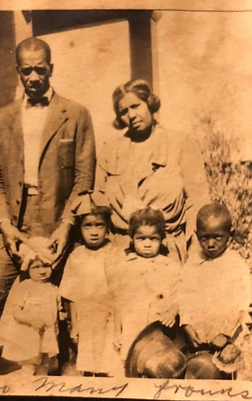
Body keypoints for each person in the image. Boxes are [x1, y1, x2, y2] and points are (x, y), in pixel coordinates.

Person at [0, 37, 96, 376]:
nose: (34, 77)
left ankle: (67, 365)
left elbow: (84, 179)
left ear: (51, 68)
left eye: (40, 69)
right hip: (12, 220)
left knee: (63, 295)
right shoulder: (0, 119)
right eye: (26, 70)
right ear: (18, 71)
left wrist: (66, 226)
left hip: (58, 219)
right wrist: (4, 226)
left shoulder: (76, 114)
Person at [96, 79, 210, 264]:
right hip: (120, 253)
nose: (131, 115)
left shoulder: (181, 144)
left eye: (135, 106)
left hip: (168, 251)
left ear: (149, 103)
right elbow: (98, 200)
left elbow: (198, 202)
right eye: (123, 111)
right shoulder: (110, 151)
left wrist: (196, 250)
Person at [106, 207, 183, 375]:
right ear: (132, 239)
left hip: (159, 331)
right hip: (132, 327)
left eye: (153, 239)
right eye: (141, 238)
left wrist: (172, 311)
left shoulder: (170, 266)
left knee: (157, 368)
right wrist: (117, 331)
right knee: (129, 367)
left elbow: (180, 295)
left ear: (162, 239)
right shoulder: (125, 266)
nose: (147, 244)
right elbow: (118, 301)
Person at [179, 203, 251, 379]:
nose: (210, 244)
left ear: (230, 234)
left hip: (225, 338)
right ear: (196, 235)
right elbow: (184, 294)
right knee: (196, 372)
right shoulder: (193, 263)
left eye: (217, 237)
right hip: (197, 338)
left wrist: (227, 334)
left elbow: (243, 303)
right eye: (204, 238)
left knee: (221, 376)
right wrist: (186, 323)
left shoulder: (236, 265)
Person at [59, 191, 120, 377]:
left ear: (108, 226)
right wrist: (75, 325)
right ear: (80, 228)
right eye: (87, 226)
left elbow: (120, 293)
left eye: (99, 225)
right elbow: (71, 294)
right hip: (86, 318)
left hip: (109, 317)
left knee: (108, 363)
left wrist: (118, 327)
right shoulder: (76, 257)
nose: (94, 232)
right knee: (88, 362)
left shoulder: (115, 253)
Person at [0, 237, 60, 376]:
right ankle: (25, 387)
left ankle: (41, 390)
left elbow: (58, 309)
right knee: (30, 366)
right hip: (29, 333)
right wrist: (30, 319)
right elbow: (16, 311)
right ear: (28, 268)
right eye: (36, 267)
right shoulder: (25, 286)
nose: (42, 271)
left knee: (44, 365)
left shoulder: (54, 288)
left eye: (45, 265)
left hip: (48, 332)